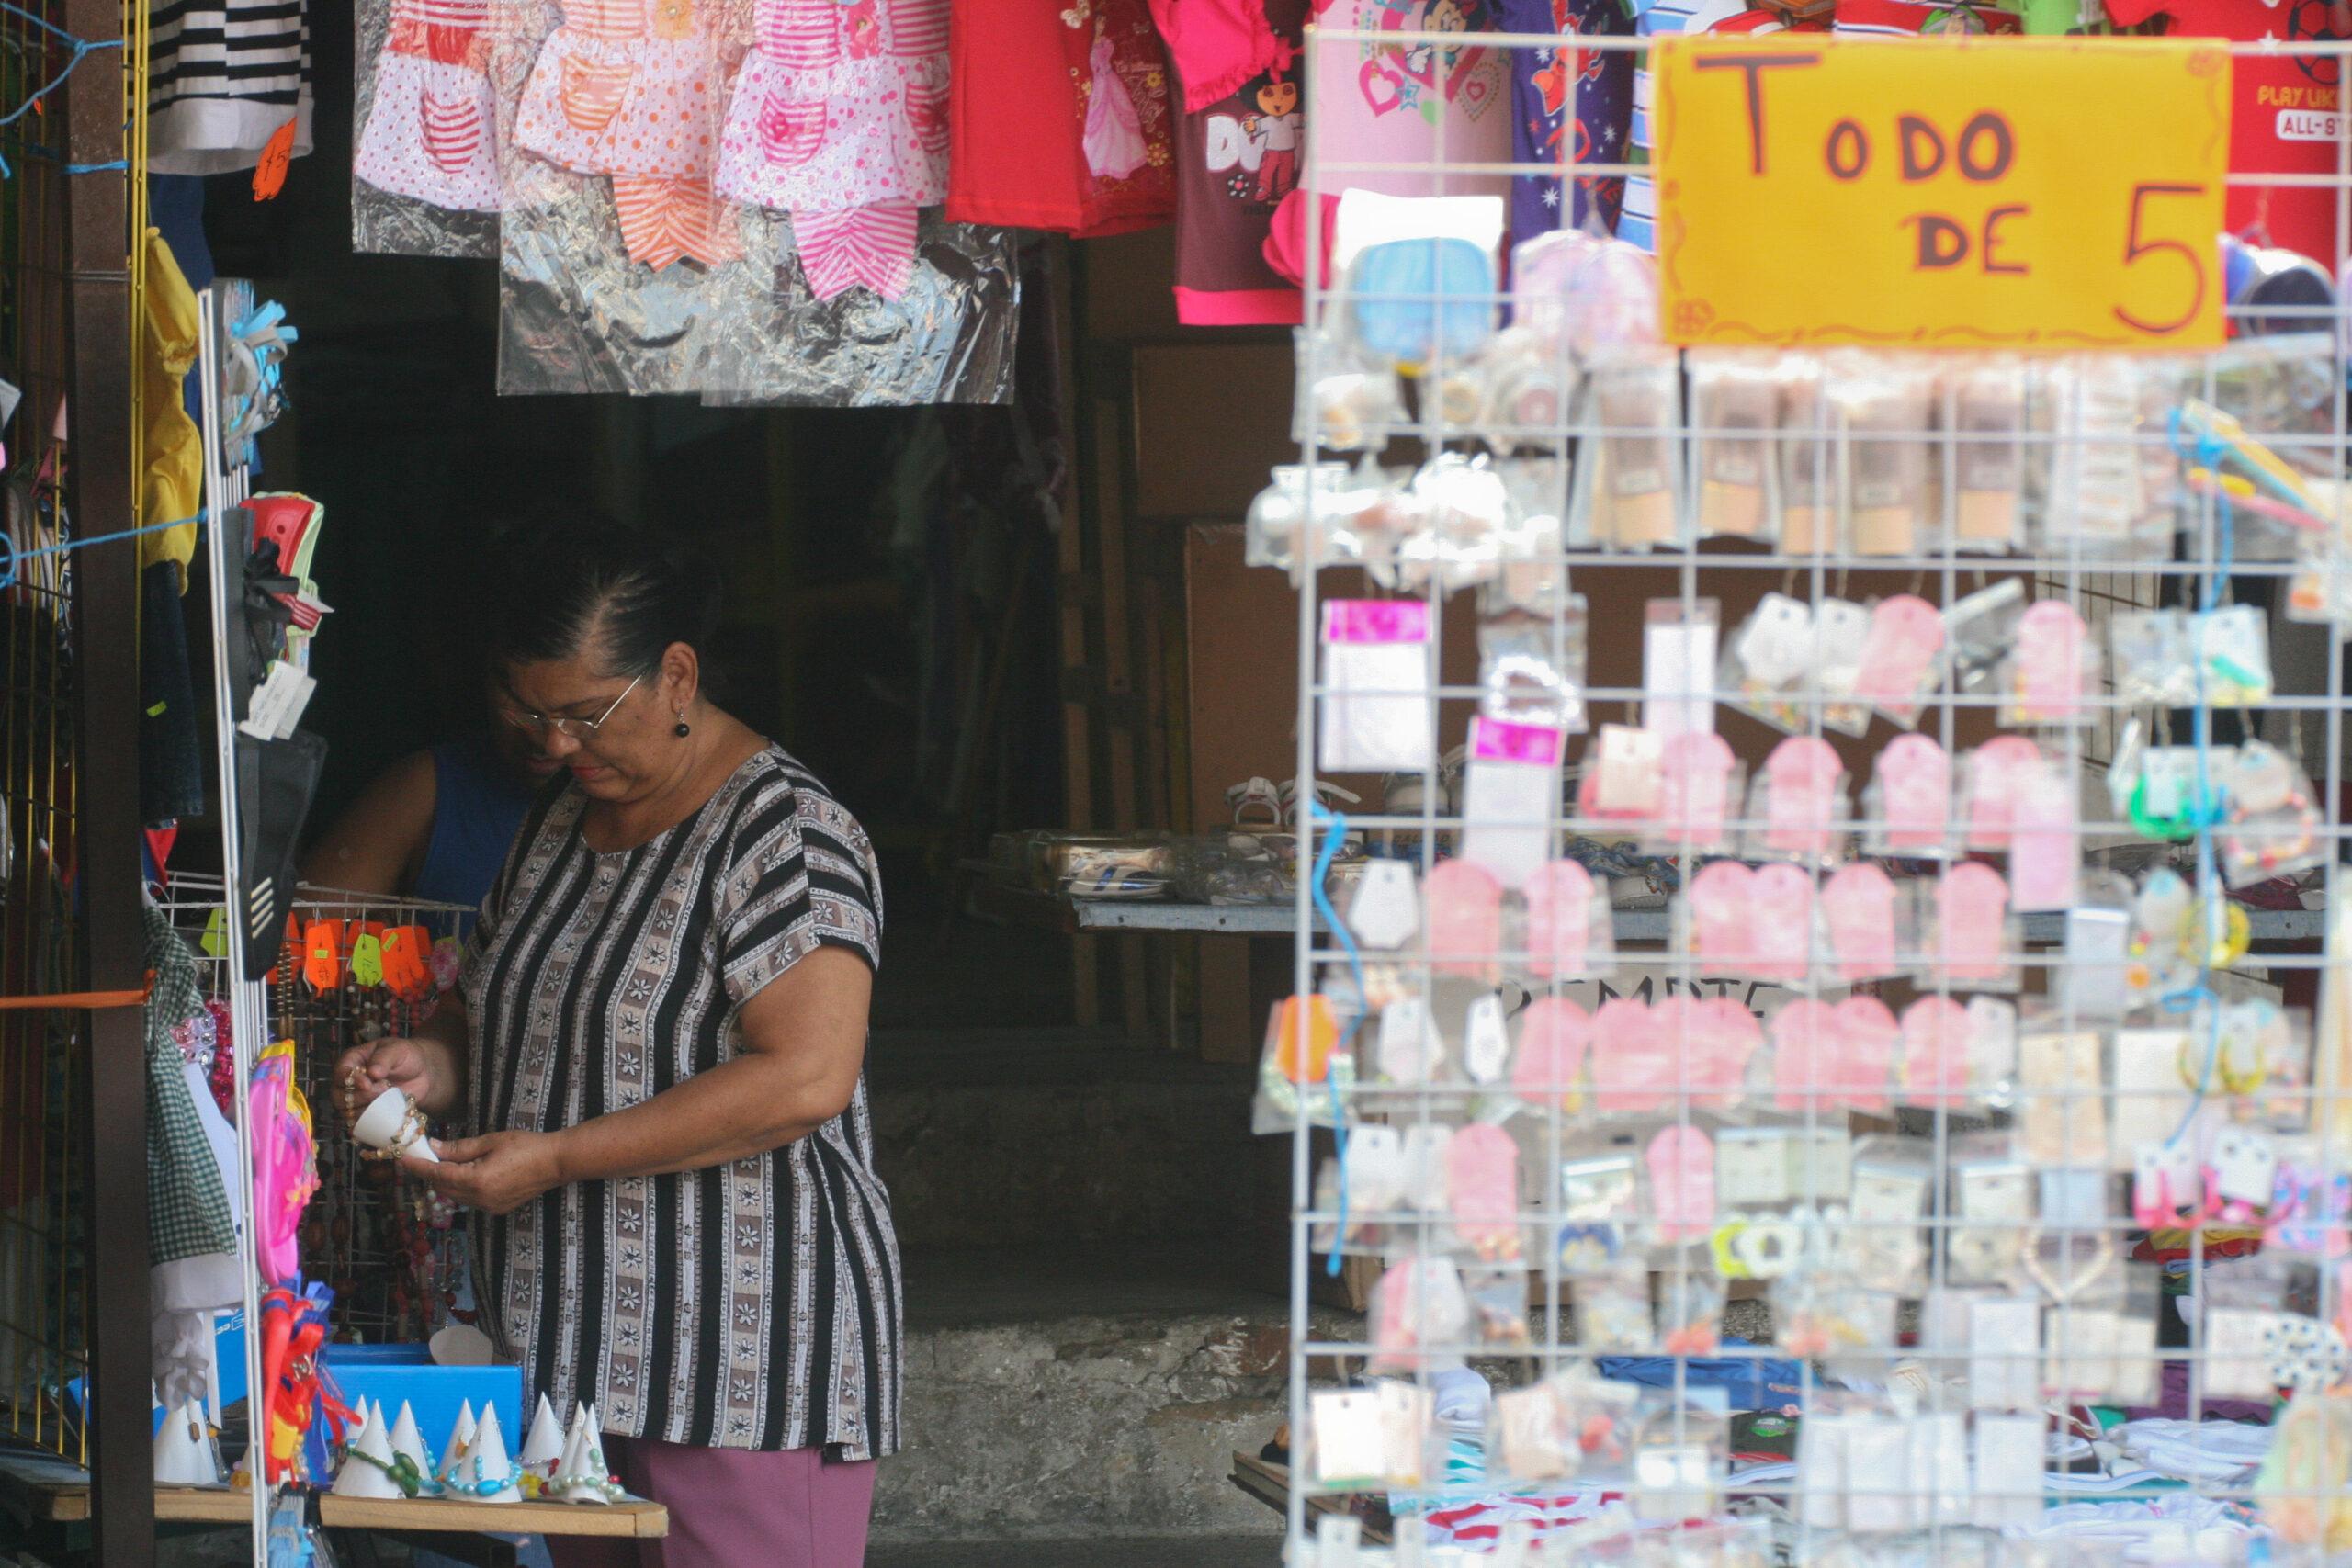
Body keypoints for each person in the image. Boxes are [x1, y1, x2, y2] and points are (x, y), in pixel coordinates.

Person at [336, 526, 900, 1568]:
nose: (555, 743)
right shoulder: (559, 820)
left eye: (584, 713)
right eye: (529, 711)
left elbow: (806, 1077)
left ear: (676, 674)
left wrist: (556, 1157)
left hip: (738, 1352)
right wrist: (430, 1066)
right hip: (569, 1345)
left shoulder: (786, 833)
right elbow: (492, 1007)